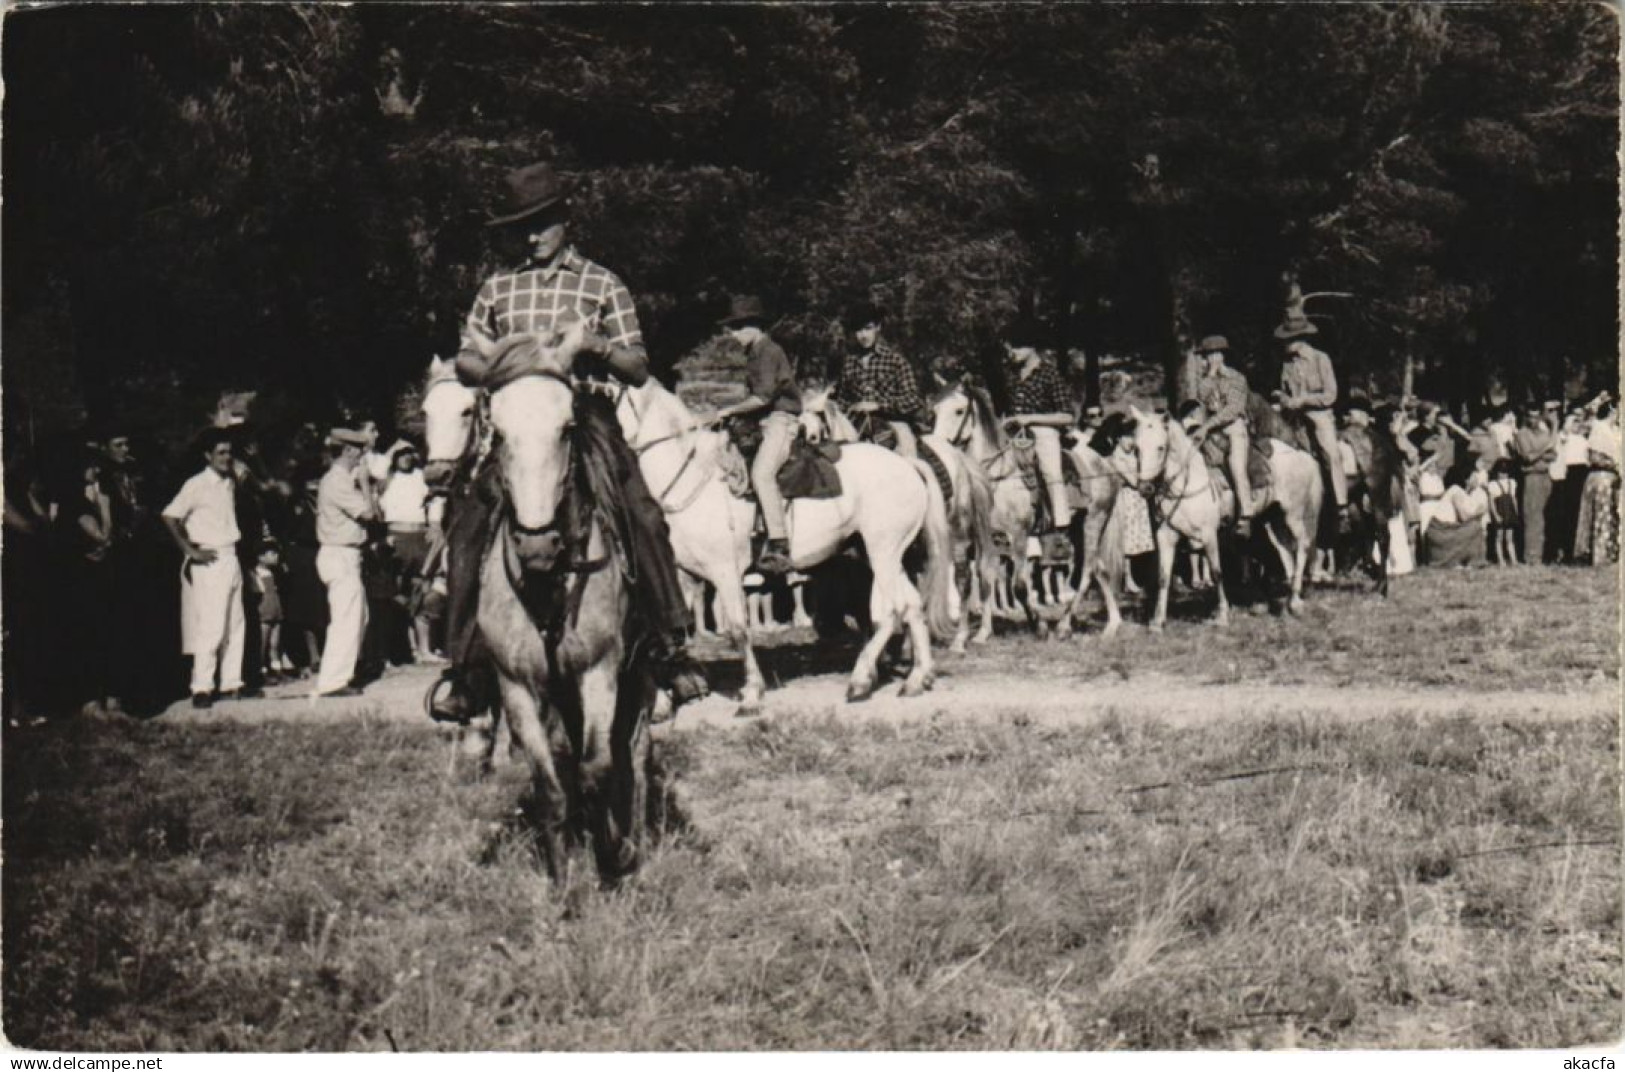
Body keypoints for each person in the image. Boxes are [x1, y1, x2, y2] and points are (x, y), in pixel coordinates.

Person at [431, 161, 708, 723]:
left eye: (540, 224)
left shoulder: (602, 283)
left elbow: (637, 367)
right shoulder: (498, 288)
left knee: (642, 512)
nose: (531, 237)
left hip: (588, 419)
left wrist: (594, 346)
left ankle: (668, 645)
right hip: (516, 423)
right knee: (466, 524)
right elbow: (464, 359)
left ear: (565, 220)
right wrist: (504, 365)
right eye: (521, 228)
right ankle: (464, 667)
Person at [711, 295, 801, 574]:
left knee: (762, 473)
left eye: (738, 327)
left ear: (754, 326)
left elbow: (763, 397)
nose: (734, 334)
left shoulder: (769, 351)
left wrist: (728, 411)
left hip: (781, 420)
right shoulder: (755, 353)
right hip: (763, 421)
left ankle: (779, 543)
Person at [161, 429, 247, 708]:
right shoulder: (196, 484)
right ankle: (202, 687)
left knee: (235, 624)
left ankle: (231, 683)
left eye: (229, 452)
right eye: (220, 452)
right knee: (210, 625)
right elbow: (170, 516)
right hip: (209, 559)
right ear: (207, 455)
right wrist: (190, 550)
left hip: (231, 556)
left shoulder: (229, 482)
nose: (226, 457)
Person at [313, 428, 376, 698]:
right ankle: (332, 682)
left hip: (346, 554)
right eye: (359, 449)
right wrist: (365, 484)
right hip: (339, 553)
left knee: (358, 617)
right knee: (346, 620)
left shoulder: (339, 480)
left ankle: (345, 673)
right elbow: (370, 514)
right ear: (348, 450)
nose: (362, 455)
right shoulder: (338, 481)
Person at [1275, 312, 1350, 527]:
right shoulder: (1287, 364)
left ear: (1300, 339)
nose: (1285, 343)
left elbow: (1331, 394)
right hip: (1294, 417)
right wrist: (1283, 399)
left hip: (1319, 415)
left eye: (1289, 339)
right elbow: (1285, 391)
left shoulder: (1320, 358)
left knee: (1331, 454)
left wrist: (1304, 400)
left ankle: (1342, 507)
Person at [1004, 343, 1076, 547]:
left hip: (1043, 430)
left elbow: (1067, 416)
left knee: (1051, 472)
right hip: (1014, 431)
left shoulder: (1049, 374)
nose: (1012, 352)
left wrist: (1031, 419)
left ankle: (1061, 523)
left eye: (1017, 347)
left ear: (1032, 347)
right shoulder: (1012, 374)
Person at [834, 300, 924, 458]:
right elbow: (843, 399)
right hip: (857, 427)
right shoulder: (849, 363)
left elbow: (913, 400)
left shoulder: (895, 361)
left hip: (893, 426)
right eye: (858, 330)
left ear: (878, 327)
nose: (863, 335)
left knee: (907, 460)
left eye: (868, 328)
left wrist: (878, 406)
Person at [1189, 335, 1257, 535]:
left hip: (1234, 428)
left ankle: (1246, 513)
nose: (1211, 359)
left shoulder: (1236, 378)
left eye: (1215, 354)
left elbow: (1232, 409)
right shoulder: (1204, 381)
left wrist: (1206, 426)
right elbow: (1202, 403)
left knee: (1236, 465)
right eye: (1208, 355)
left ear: (1222, 355)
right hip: (1211, 431)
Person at [378, 442, 436, 661]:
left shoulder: (421, 476)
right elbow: (376, 488)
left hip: (419, 536)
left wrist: (434, 525)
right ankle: (401, 649)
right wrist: (393, 449)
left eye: (409, 454)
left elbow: (435, 501)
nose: (405, 458)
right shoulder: (386, 479)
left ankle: (424, 649)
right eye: (400, 454)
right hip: (396, 535)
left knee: (422, 591)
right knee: (395, 592)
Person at [1575, 399, 1620, 566]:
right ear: (1612, 410)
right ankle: (1597, 554)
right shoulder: (1599, 428)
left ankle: (1612, 553)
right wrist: (1614, 465)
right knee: (1601, 515)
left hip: (1615, 479)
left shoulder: (1616, 430)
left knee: (1613, 515)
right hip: (1601, 477)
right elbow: (1594, 457)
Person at [1511, 408, 1557, 565]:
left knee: (1546, 515)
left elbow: (1553, 455)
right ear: (1526, 418)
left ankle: (1544, 554)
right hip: (1531, 476)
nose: (1534, 420)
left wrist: (1540, 453)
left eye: (1537, 417)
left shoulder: (1544, 433)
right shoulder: (1521, 434)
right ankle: (1532, 555)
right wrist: (1544, 449)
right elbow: (1528, 457)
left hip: (1546, 475)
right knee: (1532, 516)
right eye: (1531, 417)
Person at [254, 543, 287, 681]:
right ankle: (261, 671)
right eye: (272, 554)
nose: (276, 556)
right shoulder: (255, 573)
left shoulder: (275, 572)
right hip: (264, 612)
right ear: (261, 557)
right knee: (263, 644)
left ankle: (277, 669)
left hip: (276, 610)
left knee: (275, 644)